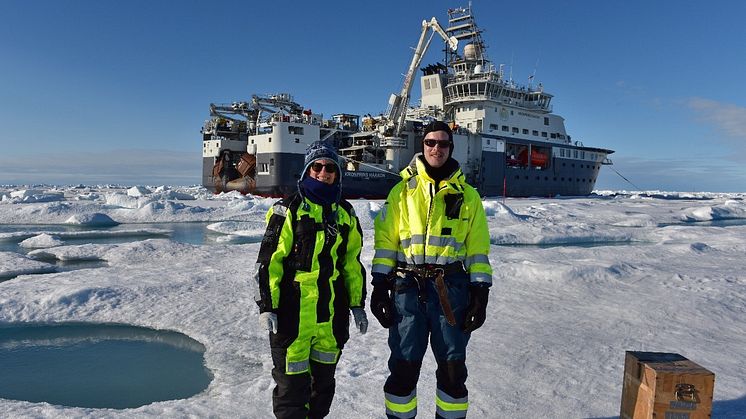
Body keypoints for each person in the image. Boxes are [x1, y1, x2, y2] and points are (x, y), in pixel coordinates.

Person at [371, 121, 492, 419]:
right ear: (421, 146)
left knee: (452, 371)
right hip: (407, 288)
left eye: (443, 143)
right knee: (403, 368)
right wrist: (379, 286)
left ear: (451, 147)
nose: (436, 148)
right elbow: (387, 241)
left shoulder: (468, 196)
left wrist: (480, 292)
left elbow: (478, 248)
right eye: (430, 143)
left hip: (450, 289)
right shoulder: (401, 192)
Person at [254, 141, 368, 419]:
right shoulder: (288, 210)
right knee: (291, 390)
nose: (323, 172)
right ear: (307, 171)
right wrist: (268, 305)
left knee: (322, 388)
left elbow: (351, 263)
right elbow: (270, 262)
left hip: (331, 319)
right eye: (317, 166)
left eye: (330, 167)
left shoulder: (345, 214)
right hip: (294, 318)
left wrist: (357, 304)